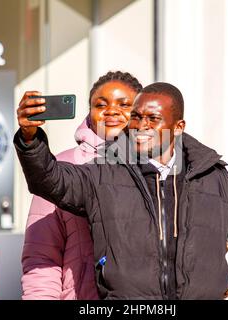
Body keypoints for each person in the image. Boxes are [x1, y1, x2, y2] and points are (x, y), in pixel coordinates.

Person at [15, 81, 228, 299]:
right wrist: (30, 138)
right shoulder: (105, 172)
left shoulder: (212, 177)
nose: (141, 126)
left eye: (153, 119)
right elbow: (48, 179)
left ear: (178, 127)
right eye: (137, 118)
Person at [20, 71, 143, 299]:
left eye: (124, 104)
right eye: (100, 104)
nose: (111, 111)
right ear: (90, 113)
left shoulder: (158, 168)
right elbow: (41, 255)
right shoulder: (62, 167)